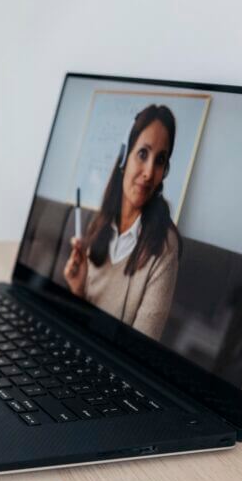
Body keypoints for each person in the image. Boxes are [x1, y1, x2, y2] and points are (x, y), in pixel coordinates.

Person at [63, 104, 181, 340]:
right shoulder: (98, 224)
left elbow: (141, 348)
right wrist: (77, 291)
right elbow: (82, 320)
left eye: (159, 160)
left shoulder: (164, 247)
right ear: (124, 155)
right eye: (142, 154)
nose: (149, 172)